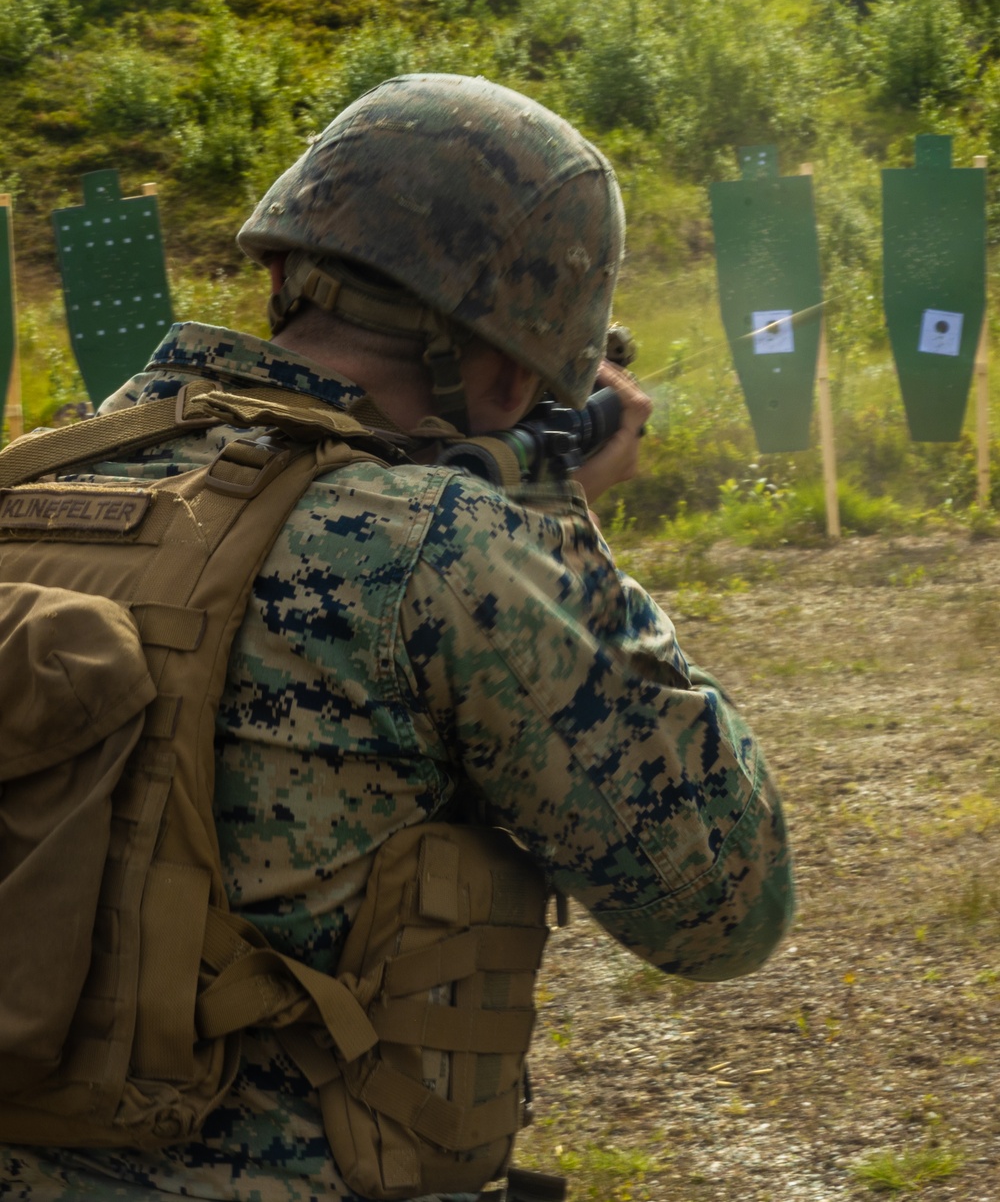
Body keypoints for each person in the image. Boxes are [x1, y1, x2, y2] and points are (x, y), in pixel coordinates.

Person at [0, 74, 793, 1202]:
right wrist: (557, 528)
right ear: (517, 373)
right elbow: (723, 903)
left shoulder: (30, 483)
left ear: (280, 271)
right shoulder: (449, 551)